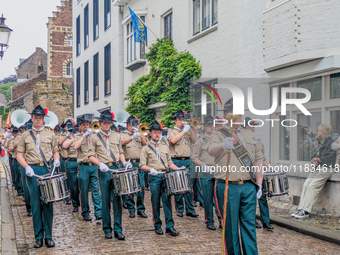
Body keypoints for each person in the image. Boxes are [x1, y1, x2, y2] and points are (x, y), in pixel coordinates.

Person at [207, 98, 264, 255]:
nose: (237, 118)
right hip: (228, 185)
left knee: (249, 226)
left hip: (248, 185)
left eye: (239, 115)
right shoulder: (219, 134)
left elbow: (259, 159)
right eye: (233, 114)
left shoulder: (250, 135)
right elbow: (211, 150)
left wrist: (259, 183)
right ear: (226, 116)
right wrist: (223, 145)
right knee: (231, 228)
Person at [16, 105, 60, 248]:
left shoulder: (51, 134)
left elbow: (55, 151)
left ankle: (48, 236)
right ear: (32, 119)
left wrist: (57, 160)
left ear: (43, 120)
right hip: (32, 170)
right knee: (35, 204)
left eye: (40, 118)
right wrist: (26, 167)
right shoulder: (25, 135)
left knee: (48, 203)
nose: (38, 120)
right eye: (35, 117)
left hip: (46, 169)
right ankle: (38, 237)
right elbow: (19, 155)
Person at [88, 110, 132, 240]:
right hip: (103, 169)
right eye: (105, 122)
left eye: (109, 122)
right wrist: (100, 164)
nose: (107, 125)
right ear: (100, 123)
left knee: (117, 199)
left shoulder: (117, 135)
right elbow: (90, 155)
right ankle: (107, 228)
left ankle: (118, 228)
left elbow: (120, 152)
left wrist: (124, 163)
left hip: (116, 168)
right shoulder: (94, 137)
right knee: (105, 200)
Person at [140, 120, 180, 236]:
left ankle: (170, 226)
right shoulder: (146, 148)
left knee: (167, 201)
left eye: (159, 132)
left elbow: (169, 162)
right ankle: (157, 224)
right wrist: (150, 170)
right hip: (154, 176)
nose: (157, 134)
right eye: (155, 132)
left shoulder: (165, 146)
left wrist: (177, 168)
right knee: (155, 201)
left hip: (166, 175)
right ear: (150, 134)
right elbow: (142, 165)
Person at [292, 124, 337, 219]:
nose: (317, 132)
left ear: (323, 132)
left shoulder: (331, 143)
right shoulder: (320, 142)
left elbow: (330, 157)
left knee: (313, 186)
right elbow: (314, 154)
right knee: (306, 184)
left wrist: (317, 159)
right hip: (319, 167)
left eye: (318, 130)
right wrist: (313, 159)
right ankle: (301, 208)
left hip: (327, 168)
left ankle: (306, 210)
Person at [244, 117, 274, 230]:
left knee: (262, 196)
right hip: (247, 172)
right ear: (245, 127)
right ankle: (252, 219)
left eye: (253, 126)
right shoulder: (241, 141)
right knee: (250, 198)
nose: (253, 128)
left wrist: (269, 166)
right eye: (251, 125)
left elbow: (261, 159)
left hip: (258, 172)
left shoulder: (258, 142)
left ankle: (266, 221)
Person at [192, 115, 221, 230]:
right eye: (209, 125)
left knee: (219, 198)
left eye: (213, 125)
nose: (212, 128)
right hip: (206, 171)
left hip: (218, 171)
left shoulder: (219, 140)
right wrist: (203, 165)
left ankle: (221, 220)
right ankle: (209, 220)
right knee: (208, 198)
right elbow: (194, 157)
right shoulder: (200, 141)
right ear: (204, 127)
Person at [167, 110, 198, 218]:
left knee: (189, 185)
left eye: (183, 119)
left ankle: (190, 209)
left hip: (188, 159)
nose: (182, 121)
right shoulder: (172, 131)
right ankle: (179, 208)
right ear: (175, 121)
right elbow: (173, 140)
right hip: (176, 159)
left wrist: (191, 129)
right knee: (178, 185)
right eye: (179, 119)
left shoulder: (187, 131)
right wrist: (184, 131)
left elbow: (196, 141)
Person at [73, 115, 102, 221]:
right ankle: (85, 212)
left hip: (94, 165)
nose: (86, 127)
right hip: (83, 166)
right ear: (80, 126)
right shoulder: (78, 136)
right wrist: (84, 136)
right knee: (84, 191)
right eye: (83, 125)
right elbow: (75, 147)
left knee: (96, 189)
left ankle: (98, 211)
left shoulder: (95, 135)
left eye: (87, 124)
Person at [121, 115, 148, 219]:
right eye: (132, 125)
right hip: (129, 163)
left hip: (139, 163)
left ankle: (141, 209)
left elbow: (146, 143)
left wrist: (140, 134)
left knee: (141, 186)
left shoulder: (139, 134)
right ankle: (131, 209)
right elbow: (122, 143)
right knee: (130, 187)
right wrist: (132, 136)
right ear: (128, 125)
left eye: (136, 124)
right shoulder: (124, 134)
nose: (134, 126)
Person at [62, 124, 80, 213]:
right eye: (74, 132)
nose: (75, 133)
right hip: (71, 161)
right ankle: (75, 204)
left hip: (80, 162)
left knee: (81, 184)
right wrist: (73, 138)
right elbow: (64, 146)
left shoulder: (82, 139)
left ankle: (83, 203)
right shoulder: (70, 140)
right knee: (73, 185)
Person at [8, 127, 24, 196]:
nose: (19, 134)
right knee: (17, 174)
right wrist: (15, 146)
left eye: (20, 132)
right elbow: (10, 149)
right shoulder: (14, 140)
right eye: (18, 132)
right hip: (16, 159)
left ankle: (24, 190)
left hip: (24, 159)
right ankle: (19, 189)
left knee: (23, 175)